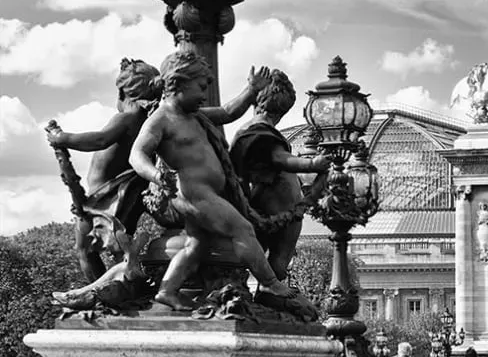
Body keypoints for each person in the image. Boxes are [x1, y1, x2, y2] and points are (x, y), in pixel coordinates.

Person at [129, 52, 299, 311]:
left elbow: (230, 112)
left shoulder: (195, 115)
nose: (203, 95)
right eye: (200, 88)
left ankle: (167, 290)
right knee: (242, 229)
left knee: (195, 245)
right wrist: (155, 174)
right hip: (191, 192)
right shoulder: (161, 119)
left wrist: (251, 89)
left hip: (206, 192)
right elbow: (137, 154)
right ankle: (270, 282)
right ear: (177, 83)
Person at [45, 58, 163, 280]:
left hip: (105, 199)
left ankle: (103, 297)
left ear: (121, 93)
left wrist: (62, 138)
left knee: (85, 250)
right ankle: (122, 288)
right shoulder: (147, 122)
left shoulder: (127, 118)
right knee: (119, 250)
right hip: (119, 195)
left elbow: (99, 140)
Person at [230, 69, 332, 279]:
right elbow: (280, 158)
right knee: (277, 260)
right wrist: (313, 163)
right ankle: (271, 291)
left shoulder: (251, 130)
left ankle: (269, 290)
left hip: (269, 203)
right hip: (278, 206)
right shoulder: (260, 130)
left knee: (266, 258)